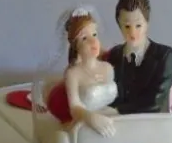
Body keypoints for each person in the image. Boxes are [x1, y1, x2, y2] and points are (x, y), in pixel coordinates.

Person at [104, 0, 172, 115]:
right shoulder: (115, 55)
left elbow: (156, 102)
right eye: (127, 26)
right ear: (119, 25)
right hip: (119, 123)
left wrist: (118, 111)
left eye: (138, 25)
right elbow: (111, 95)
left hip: (153, 122)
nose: (132, 33)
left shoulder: (165, 56)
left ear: (147, 23)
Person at [45, 8, 118, 136]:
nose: (93, 41)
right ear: (76, 46)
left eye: (94, 35)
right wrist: (90, 117)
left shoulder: (108, 68)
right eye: (84, 38)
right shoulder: (73, 74)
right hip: (83, 124)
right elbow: (74, 107)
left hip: (112, 122)